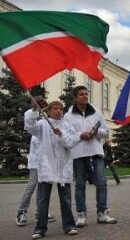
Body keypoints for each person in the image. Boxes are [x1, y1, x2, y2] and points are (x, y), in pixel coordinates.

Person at [24, 101, 80, 239]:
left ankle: (69, 225)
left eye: (61, 108)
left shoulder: (67, 126)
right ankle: (40, 228)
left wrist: (61, 134)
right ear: (48, 112)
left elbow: (71, 142)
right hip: (47, 166)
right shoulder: (43, 124)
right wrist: (34, 110)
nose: (59, 111)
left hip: (63, 167)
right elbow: (29, 127)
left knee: (66, 198)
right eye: (55, 108)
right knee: (43, 199)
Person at [64, 86, 117, 227]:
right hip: (79, 153)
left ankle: (102, 213)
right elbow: (66, 135)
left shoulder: (96, 112)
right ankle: (81, 215)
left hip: (96, 152)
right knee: (80, 184)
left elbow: (105, 131)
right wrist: (80, 135)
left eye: (86, 94)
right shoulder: (68, 116)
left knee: (101, 182)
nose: (85, 96)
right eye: (81, 94)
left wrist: (95, 133)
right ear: (75, 98)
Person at [16, 99, 56, 226]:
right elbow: (29, 124)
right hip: (36, 162)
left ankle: (41, 212)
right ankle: (21, 212)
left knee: (43, 189)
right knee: (32, 186)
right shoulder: (38, 126)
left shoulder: (52, 125)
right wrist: (33, 110)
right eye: (43, 110)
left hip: (47, 163)